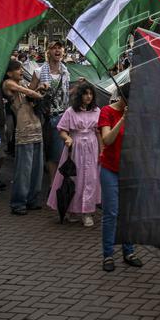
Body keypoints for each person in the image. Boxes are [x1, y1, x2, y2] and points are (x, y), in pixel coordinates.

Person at [97, 86, 143, 271]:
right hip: (110, 169)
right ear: (124, 99)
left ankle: (129, 251)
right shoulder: (106, 112)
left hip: (130, 170)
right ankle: (108, 255)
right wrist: (123, 119)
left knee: (128, 213)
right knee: (111, 213)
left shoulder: (138, 115)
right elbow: (107, 140)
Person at [47, 83, 101, 226]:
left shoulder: (97, 111)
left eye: (91, 94)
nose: (88, 96)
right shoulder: (71, 111)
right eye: (85, 93)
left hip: (91, 146)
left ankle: (87, 212)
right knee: (74, 177)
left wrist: (102, 150)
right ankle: (72, 209)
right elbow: (62, 130)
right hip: (75, 147)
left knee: (90, 178)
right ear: (80, 95)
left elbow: (99, 132)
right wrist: (68, 138)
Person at [3, 59, 45, 215]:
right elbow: (27, 92)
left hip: (36, 129)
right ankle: (18, 203)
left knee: (36, 169)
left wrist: (40, 88)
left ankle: (32, 200)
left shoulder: (22, 85)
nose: (21, 71)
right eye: (18, 69)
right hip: (24, 132)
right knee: (24, 170)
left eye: (21, 68)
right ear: (9, 72)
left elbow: (30, 93)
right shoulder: (8, 84)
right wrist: (36, 93)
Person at [35, 42, 70, 183]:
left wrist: (79, 86)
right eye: (54, 48)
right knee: (52, 153)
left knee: (62, 153)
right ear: (48, 52)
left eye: (60, 47)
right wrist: (39, 90)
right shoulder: (39, 72)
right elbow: (30, 94)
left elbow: (65, 94)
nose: (57, 50)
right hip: (49, 117)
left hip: (65, 116)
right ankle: (52, 185)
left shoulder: (66, 72)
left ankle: (58, 183)